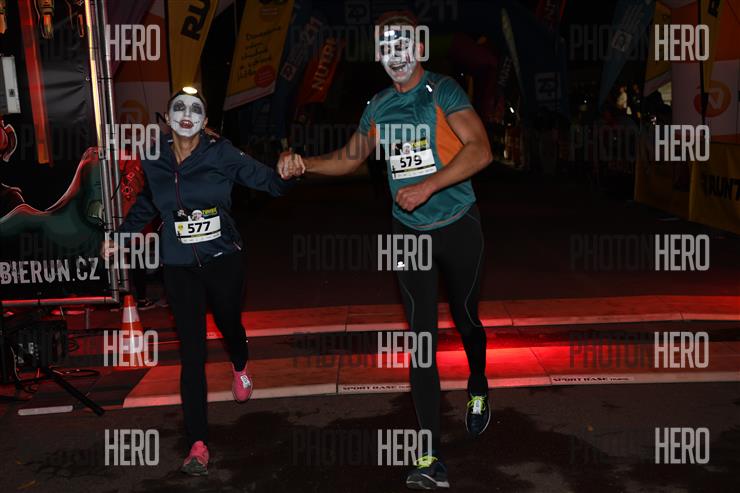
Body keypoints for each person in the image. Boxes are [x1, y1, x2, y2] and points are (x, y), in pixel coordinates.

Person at [279, 11, 492, 490]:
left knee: (467, 319)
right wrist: (304, 164)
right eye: (386, 47)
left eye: (403, 44)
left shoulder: (442, 91)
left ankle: (478, 384)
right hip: (408, 233)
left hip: (458, 225)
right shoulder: (377, 106)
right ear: (378, 55)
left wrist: (429, 186)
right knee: (421, 340)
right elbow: (351, 158)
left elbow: (480, 150)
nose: (395, 54)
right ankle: (430, 456)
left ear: (419, 49)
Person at [103, 87, 294, 476]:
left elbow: (269, 183)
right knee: (192, 353)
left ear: (204, 121)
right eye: (179, 107)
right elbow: (148, 203)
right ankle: (198, 444)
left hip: (223, 260)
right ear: (168, 118)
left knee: (228, 322)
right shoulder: (154, 157)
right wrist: (120, 238)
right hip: (179, 267)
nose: (186, 114)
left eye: (195, 109)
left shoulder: (220, 153)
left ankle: (240, 362)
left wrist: (286, 173)